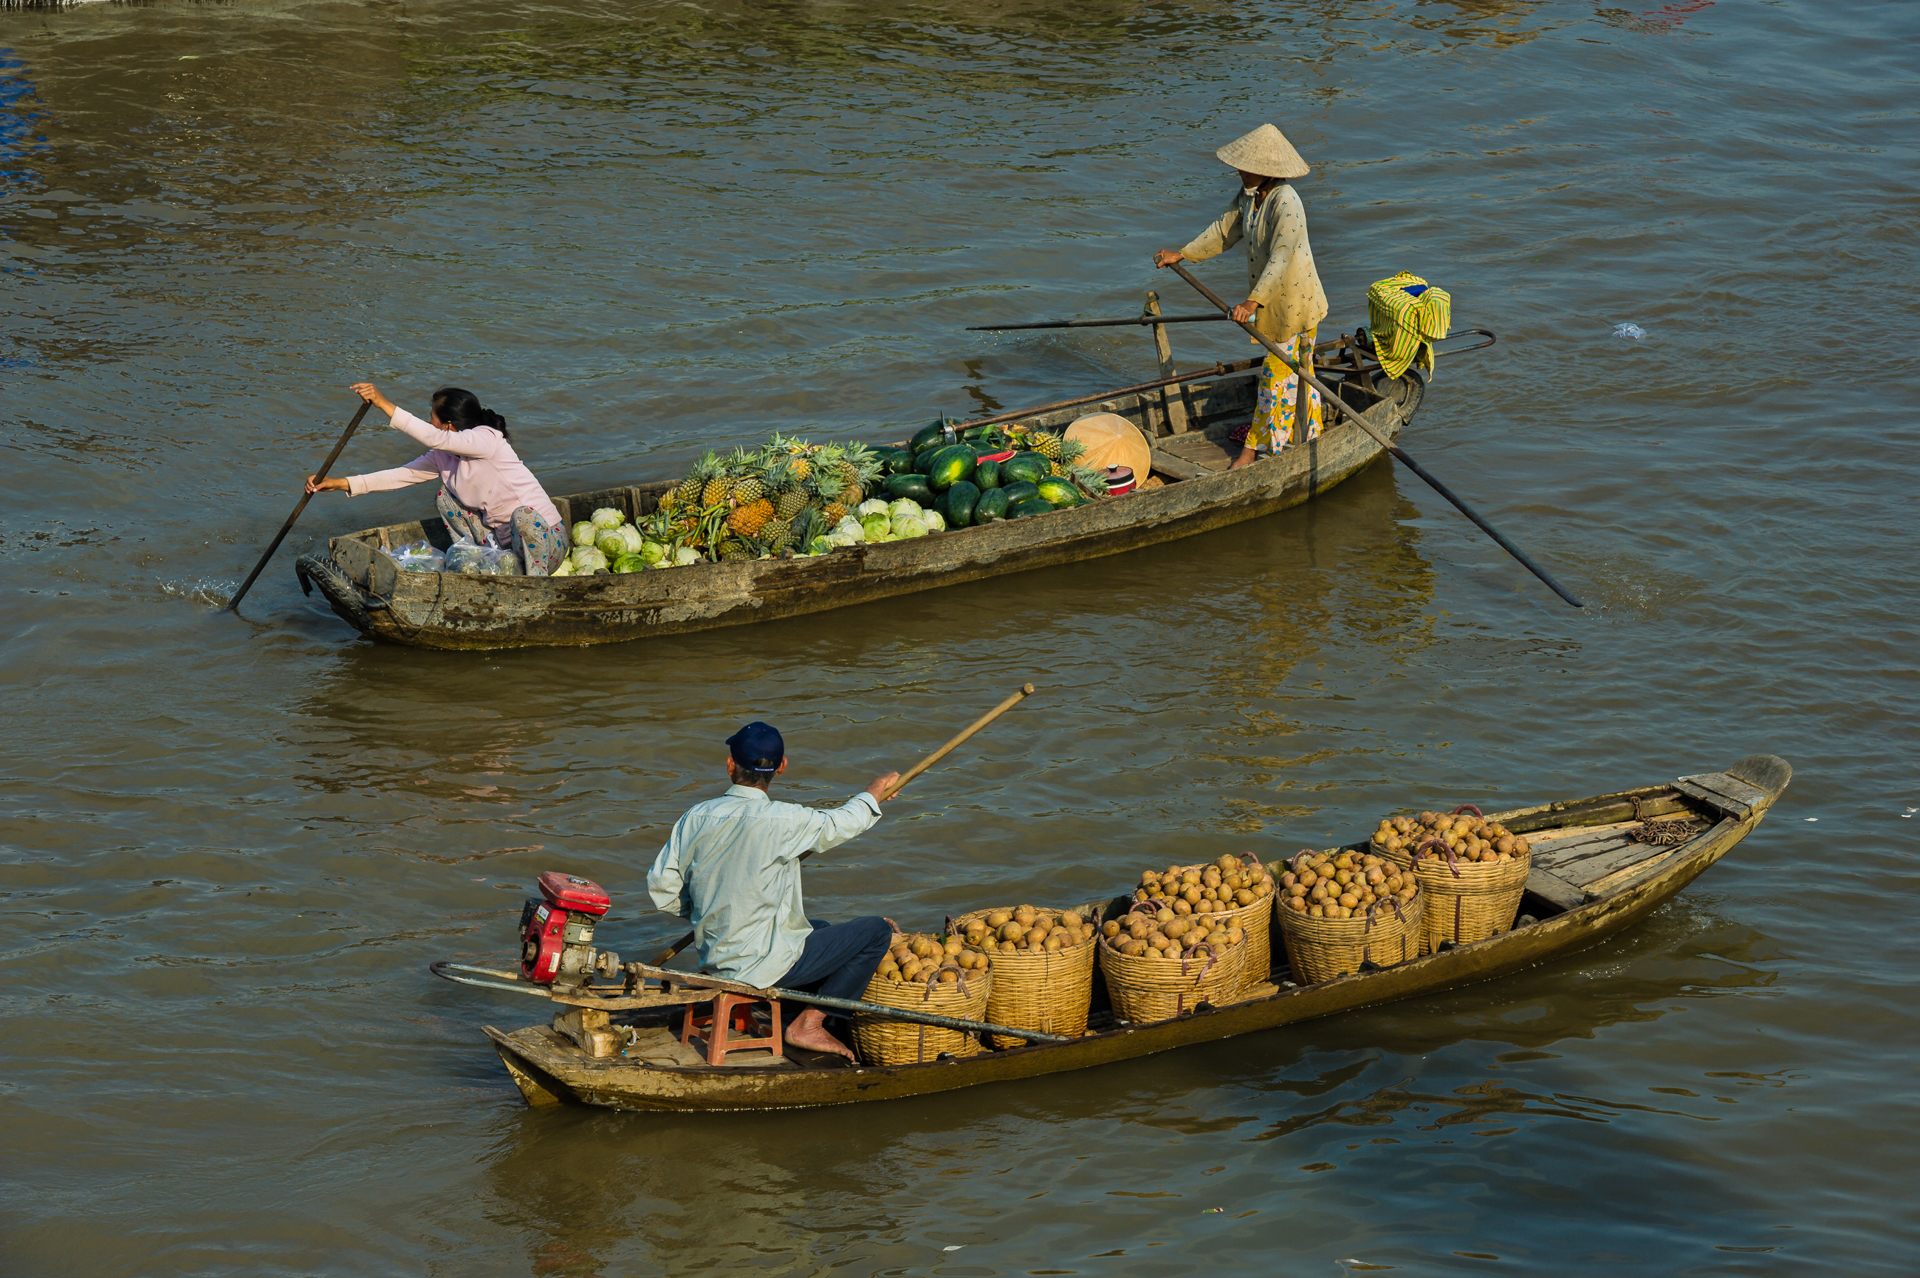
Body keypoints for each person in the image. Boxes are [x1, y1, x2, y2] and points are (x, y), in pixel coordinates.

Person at [646, 721, 902, 1061]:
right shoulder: (785, 819)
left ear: (730, 764)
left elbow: (662, 889)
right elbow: (843, 822)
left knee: (820, 929)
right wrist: (874, 791)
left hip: (715, 958)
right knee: (875, 932)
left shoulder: (695, 816)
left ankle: (799, 1015)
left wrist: (706, 909)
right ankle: (808, 1025)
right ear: (781, 767)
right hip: (760, 966)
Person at [1153, 123, 1330, 469]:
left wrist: (1252, 302)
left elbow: (1282, 256)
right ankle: (1308, 437)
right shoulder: (1249, 198)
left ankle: (1254, 453)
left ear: (1264, 171)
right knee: (1297, 373)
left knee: (1276, 379)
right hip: (1272, 303)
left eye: (1244, 166)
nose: (1238, 170)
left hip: (1295, 305)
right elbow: (1223, 230)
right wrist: (1184, 254)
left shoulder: (1286, 202)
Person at [304, 382, 568, 574]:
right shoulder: (442, 457)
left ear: (449, 425)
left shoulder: (487, 439)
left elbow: (435, 437)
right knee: (445, 497)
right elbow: (401, 476)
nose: (430, 423)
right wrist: (340, 484)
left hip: (545, 545)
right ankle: (476, 560)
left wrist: (384, 405)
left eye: (432, 418)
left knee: (524, 515)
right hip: (503, 547)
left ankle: (534, 584)